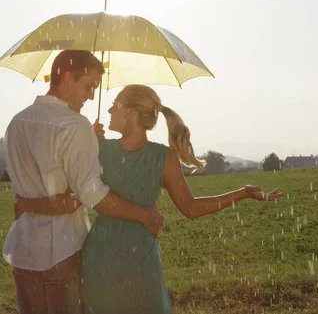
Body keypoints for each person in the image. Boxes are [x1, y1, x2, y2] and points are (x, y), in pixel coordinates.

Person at [16, 84, 285, 313]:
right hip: (130, 260)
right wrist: (243, 194)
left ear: (130, 113)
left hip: (107, 258)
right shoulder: (158, 156)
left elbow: (74, 189)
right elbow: (191, 208)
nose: (109, 111)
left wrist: (242, 193)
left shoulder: (111, 150)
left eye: (114, 105)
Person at [2, 51, 164, 314]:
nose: (90, 96)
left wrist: (29, 203)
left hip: (23, 254)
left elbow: (34, 176)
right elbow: (92, 194)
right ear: (67, 77)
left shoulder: (16, 122)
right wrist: (144, 214)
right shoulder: (75, 125)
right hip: (62, 253)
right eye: (89, 86)